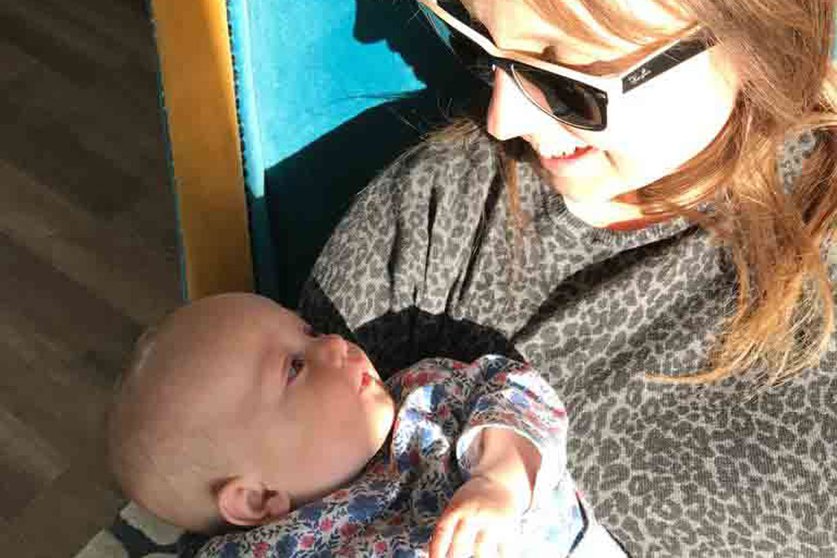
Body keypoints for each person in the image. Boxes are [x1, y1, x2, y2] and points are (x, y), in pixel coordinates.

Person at [296, 0, 837, 555]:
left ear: (751, 31)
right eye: (475, 41)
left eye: (565, 78)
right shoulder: (436, 212)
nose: (501, 119)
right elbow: (249, 469)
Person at [108, 293, 626, 557]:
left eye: (308, 331)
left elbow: (518, 396)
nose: (332, 342)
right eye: (296, 367)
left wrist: (499, 481)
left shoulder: (427, 398)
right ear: (257, 500)